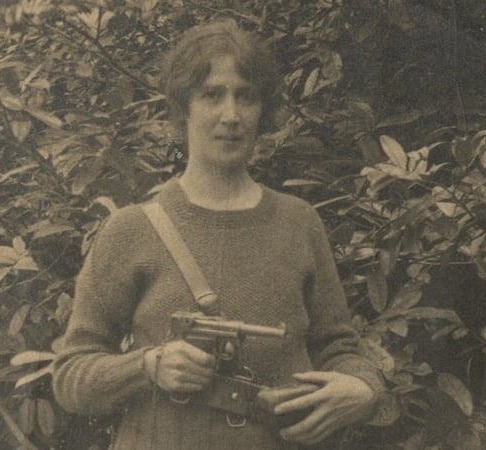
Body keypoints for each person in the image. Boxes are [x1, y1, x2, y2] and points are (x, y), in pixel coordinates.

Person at [52, 19, 382, 450]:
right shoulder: (131, 229)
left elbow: (337, 347)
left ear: (262, 110)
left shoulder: (298, 222)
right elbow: (70, 376)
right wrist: (147, 366)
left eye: (245, 97)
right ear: (183, 107)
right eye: (212, 95)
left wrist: (364, 387)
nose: (231, 115)